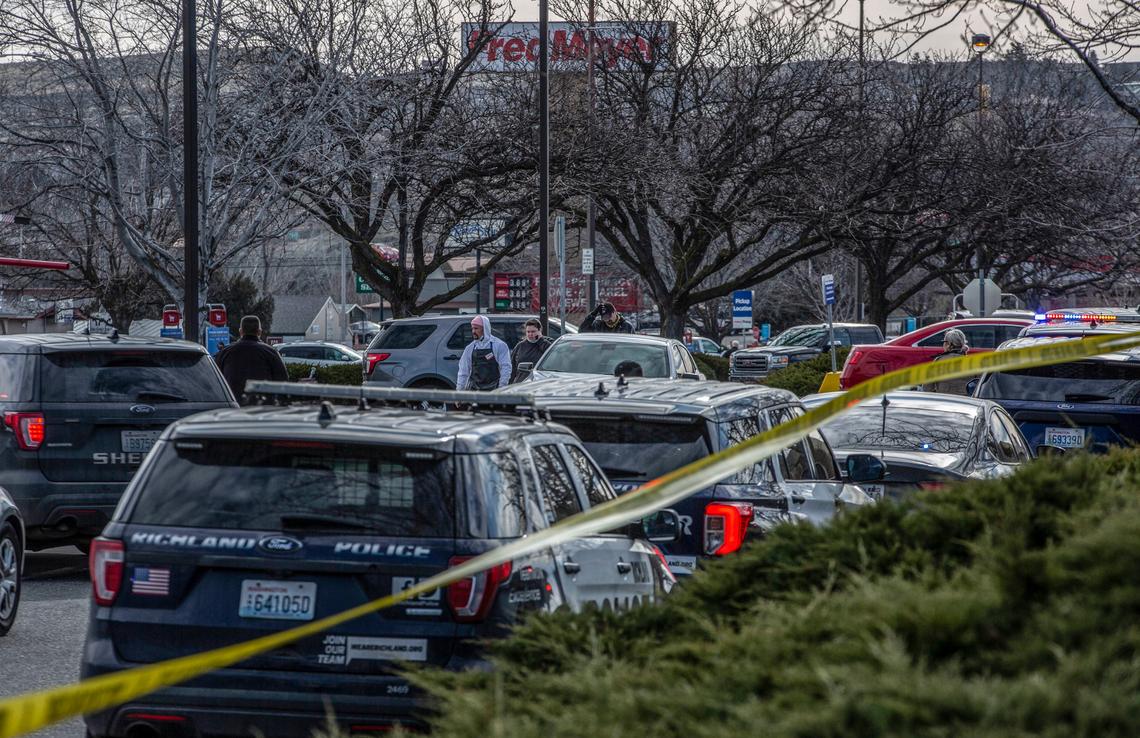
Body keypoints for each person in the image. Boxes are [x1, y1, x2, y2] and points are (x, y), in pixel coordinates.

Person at [213, 315, 289, 405]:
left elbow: (214, 381)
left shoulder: (224, 352)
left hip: (233, 406)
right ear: (259, 332)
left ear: (241, 331)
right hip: (262, 406)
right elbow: (283, 380)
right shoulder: (271, 352)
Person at [456, 315, 512, 391]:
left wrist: (501, 388)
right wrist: (459, 391)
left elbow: (506, 368)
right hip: (474, 390)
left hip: (494, 390)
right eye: (472, 328)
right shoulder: (470, 348)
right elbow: (463, 372)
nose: (473, 331)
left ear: (485, 329)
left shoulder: (499, 345)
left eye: (476, 328)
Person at [924, 328, 971, 395]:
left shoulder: (938, 361)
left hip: (944, 399)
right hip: (965, 400)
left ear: (948, 344)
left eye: (944, 342)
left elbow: (927, 387)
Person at [510, 318, 554, 383]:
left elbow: (551, 355)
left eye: (533, 331)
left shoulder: (547, 343)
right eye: (528, 332)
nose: (530, 334)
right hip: (522, 382)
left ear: (539, 330)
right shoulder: (520, 346)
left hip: (540, 381)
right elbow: (512, 367)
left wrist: (540, 340)